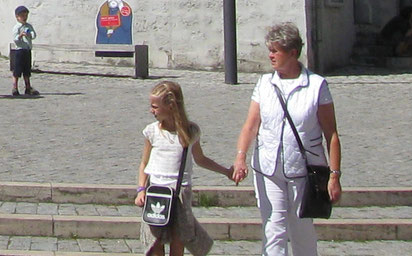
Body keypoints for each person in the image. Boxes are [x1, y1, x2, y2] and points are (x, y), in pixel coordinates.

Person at [230, 21, 341, 256]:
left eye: (275, 51)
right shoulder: (265, 84)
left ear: (292, 53)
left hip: (304, 171)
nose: (270, 55)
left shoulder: (316, 85)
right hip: (268, 168)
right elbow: (250, 126)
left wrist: (334, 175)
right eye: (269, 50)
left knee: (302, 231)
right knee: (273, 228)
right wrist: (240, 157)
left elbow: (331, 134)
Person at [132, 79, 228, 256]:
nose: (151, 110)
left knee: (179, 240)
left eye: (155, 106)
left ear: (170, 106)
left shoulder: (189, 132)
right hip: (156, 191)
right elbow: (144, 163)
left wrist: (226, 172)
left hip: (180, 192)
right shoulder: (152, 131)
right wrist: (140, 189)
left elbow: (200, 159)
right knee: (155, 242)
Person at [8, 6, 38, 98]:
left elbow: (33, 35)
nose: (24, 18)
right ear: (17, 17)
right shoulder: (17, 27)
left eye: (26, 16)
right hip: (19, 51)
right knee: (17, 70)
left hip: (27, 50)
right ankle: (15, 87)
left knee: (27, 70)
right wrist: (20, 36)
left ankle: (28, 87)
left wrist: (29, 34)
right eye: (22, 16)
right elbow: (15, 39)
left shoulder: (29, 26)